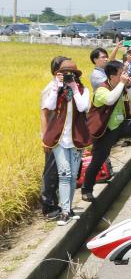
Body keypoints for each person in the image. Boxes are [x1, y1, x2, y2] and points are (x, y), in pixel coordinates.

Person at [81, 60, 131, 200]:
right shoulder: (101, 90)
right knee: (98, 160)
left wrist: (129, 86)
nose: (124, 75)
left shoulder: (122, 85)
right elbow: (111, 100)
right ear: (112, 76)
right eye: (121, 73)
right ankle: (86, 189)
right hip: (105, 129)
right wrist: (122, 84)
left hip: (121, 124)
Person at [41, 59, 91, 225]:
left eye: (72, 75)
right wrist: (57, 85)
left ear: (76, 76)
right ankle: (64, 212)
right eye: (65, 74)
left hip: (76, 139)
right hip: (60, 139)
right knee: (65, 174)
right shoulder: (56, 90)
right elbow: (49, 105)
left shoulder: (83, 90)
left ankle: (68, 209)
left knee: (72, 177)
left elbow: (84, 107)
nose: (69, 77)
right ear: (59, 75)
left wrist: (74, 89)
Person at [39, 56, 70, 220]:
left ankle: (56, 204)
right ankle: (48, 207)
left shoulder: (66, 87)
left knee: (61, 172)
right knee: (51, 172)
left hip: (64, 136)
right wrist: (45, 138)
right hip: (52, 136)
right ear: (57, 72)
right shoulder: (50, 88)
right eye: (66, 68)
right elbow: (44, 113)